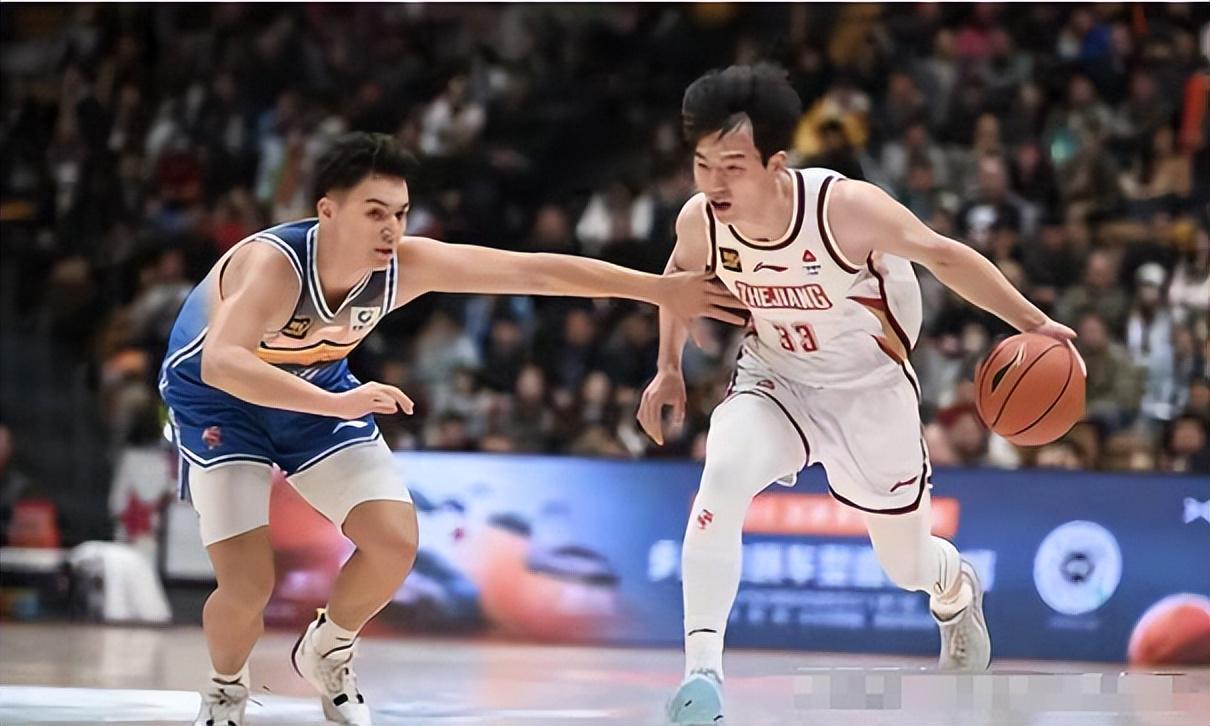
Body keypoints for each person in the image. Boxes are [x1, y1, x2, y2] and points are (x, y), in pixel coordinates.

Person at [160, 132, 741, 726]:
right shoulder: (275, 266)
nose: (392, 229)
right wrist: (335, 403)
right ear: (327, 211)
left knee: (394, 542)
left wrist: (656, 288)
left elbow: (533, 273)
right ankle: (225, 691)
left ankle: (327, 650)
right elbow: (222, 363)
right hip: (219, 403)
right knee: (247, 585)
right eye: (375, 213)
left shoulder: (404, 265)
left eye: (401, 214)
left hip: (317, 389)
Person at [636, 64, 1076, 725]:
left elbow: (943, 256)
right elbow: (677, 278)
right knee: (720, 480)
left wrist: (1033, 323)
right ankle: (701, 680)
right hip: (776, 378)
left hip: (870, 392)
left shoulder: (844, 209)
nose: (713, 183)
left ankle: (952, 589)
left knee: (905, 565)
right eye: (702, 166)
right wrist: (667, 367)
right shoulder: (702, 220)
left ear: (775, 163)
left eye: (732, 167)